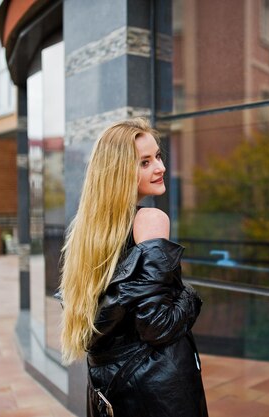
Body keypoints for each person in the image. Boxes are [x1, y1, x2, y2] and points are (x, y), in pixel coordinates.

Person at [59, 118, 208, 417]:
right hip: (156, 390)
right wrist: (191, 296)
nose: (160, 167)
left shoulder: (88, 232)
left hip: (111, 386)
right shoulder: (150, 220)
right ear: (119, 172)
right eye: (145, 162)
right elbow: (159, 324)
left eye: (158, 156)